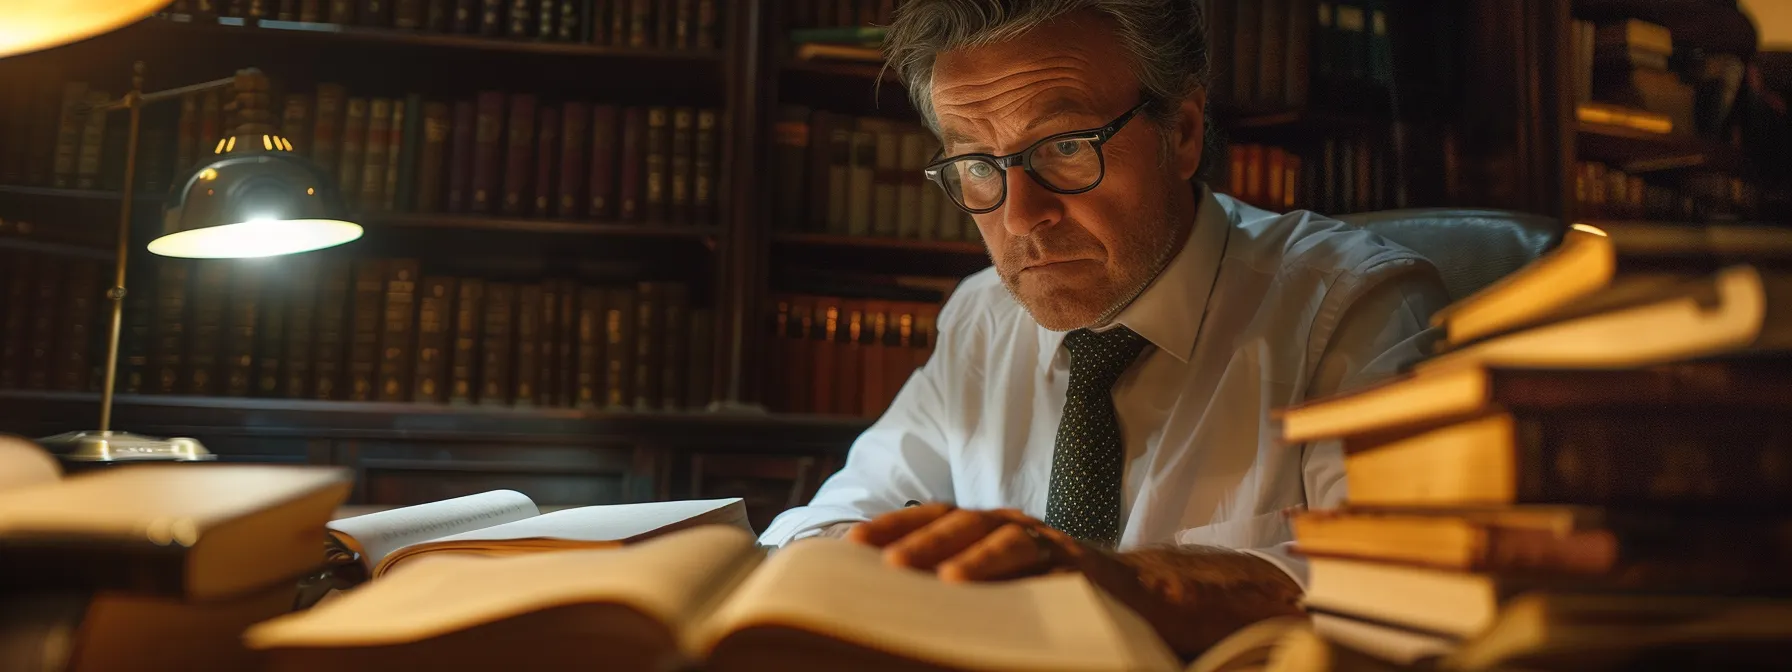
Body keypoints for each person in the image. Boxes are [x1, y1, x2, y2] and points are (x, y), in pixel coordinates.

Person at [758, 0, 1451, 657]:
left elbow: (1401, 581)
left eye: (1063, 147)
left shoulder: (1352, 306)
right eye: (976, 165)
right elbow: (829, 519)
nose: (1022, 217)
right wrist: (867, 560)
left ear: (1180, 133)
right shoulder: (982, 316)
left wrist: (1117, 581)